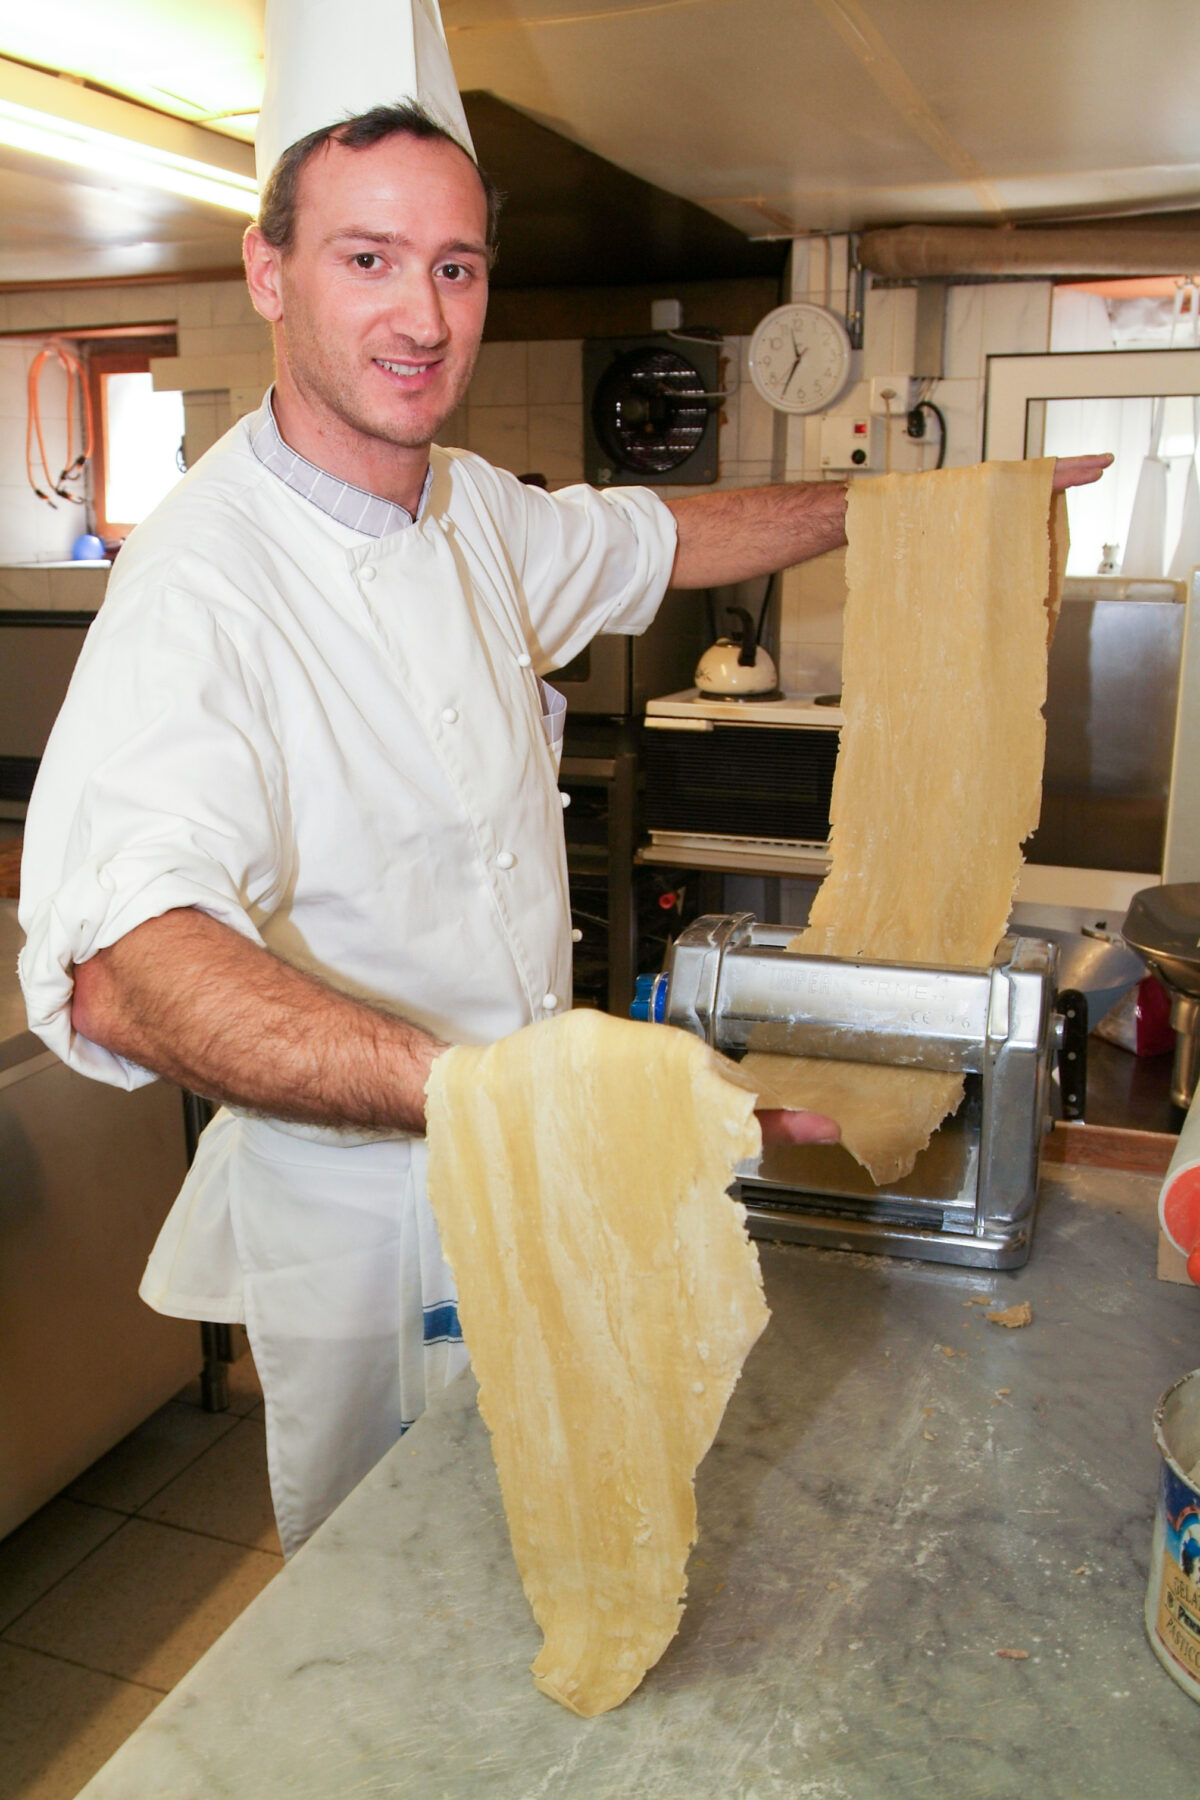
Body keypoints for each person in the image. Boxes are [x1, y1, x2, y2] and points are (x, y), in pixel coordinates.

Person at [17, 102, 1111, 1554]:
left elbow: (668, 538)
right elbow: (122, 967)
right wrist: (503, 1098)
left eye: (457, 268)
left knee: (541, 1538)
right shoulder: (202, 592)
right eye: (369, 259)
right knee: (393, 1590)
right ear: (268, 274)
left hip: (526, 1177)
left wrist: (918, 510)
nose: (422, 314)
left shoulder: (468, 509)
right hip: (369, 1227)